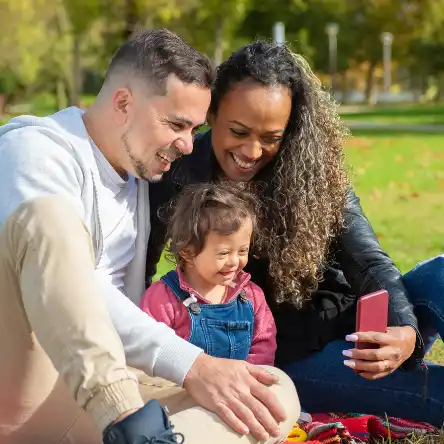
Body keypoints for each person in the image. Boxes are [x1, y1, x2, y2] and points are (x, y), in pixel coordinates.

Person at [0, 29, 298, 444]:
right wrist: (192, 365)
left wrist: (210, 373)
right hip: (26, 384)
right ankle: (131, 425)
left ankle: (151, 437)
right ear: (123, 103)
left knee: (269, 391)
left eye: (193, 128)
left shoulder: (139, 179)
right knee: (46, 218)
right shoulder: (33, 151)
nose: (188, 145)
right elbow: (74, 285)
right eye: (176, 124)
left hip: (97, 401)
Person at [146, 40, 444, 427]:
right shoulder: (178, 175)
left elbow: (368, 261)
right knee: (434, 393)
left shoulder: (311, 170)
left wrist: (405, 332)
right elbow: (141, 266)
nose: (252, 151)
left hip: (350, 323)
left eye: (271, 138)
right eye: (239, 131)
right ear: (212, 113)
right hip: (285, 359)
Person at [140, 182, 277, 366]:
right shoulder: (163, 300)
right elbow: (149, 350)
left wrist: (250, 379)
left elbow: (263, 345)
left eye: (243, 251)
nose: (234, 261)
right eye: (223, 253)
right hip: (180, 391)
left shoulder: (251, 296)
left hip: (241, 386)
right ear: (188, 252)